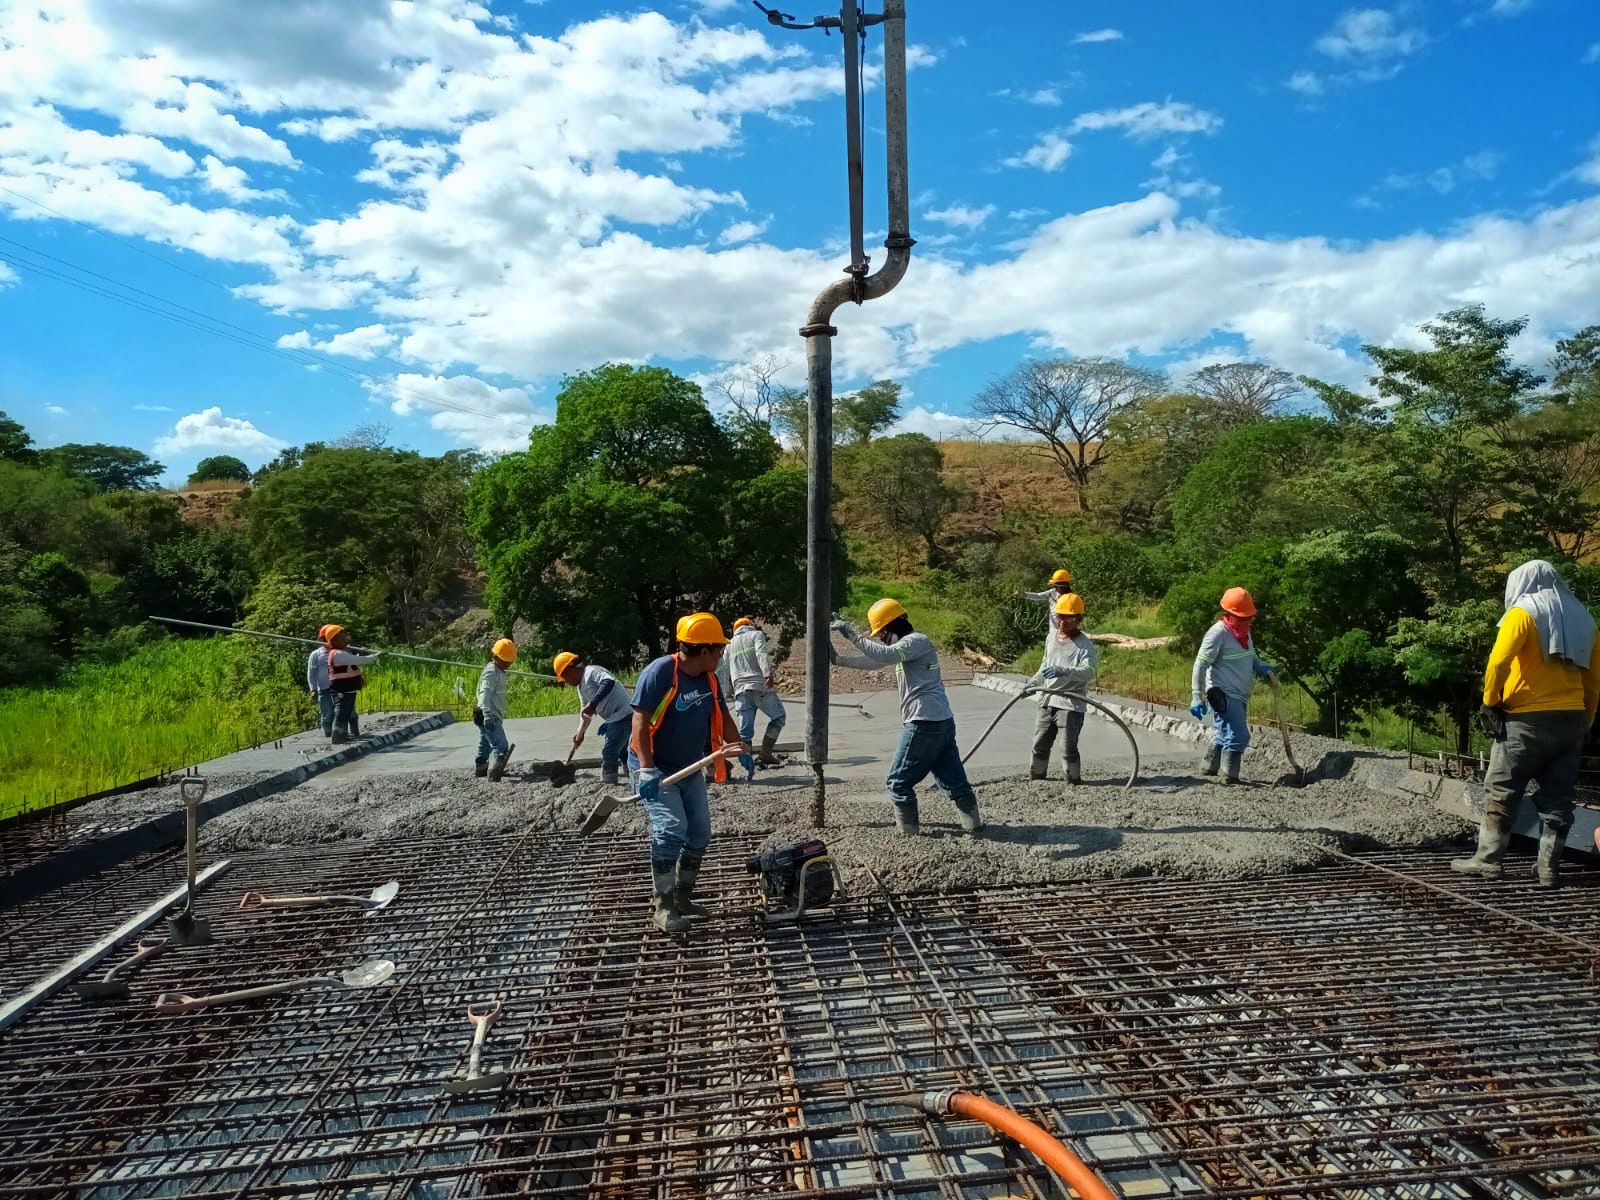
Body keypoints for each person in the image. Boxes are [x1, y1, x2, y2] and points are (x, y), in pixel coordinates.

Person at [1453, 560, 1599, 888]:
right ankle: (1548, 869)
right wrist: (1586, 720)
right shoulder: (1585, 621)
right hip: (1572, 719)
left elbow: (1499, 661)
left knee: (1502, 790)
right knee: (1559, 798)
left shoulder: (1523, 613)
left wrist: (1491, 701)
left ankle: (1488, 861)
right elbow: (1593, 682)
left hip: (1525, 719)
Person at [629, 613, 750, 932]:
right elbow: (639, 720)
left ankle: (683, 896)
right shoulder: (660, 672)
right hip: (655, 767)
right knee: (671, 829)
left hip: (689, 767)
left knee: (699, 834)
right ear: (704, 650)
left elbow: (723, 715)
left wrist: (738, 747)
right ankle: (663, 906)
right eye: (719, 650)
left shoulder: (709, 678)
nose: (722, 655)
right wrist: (646, 769)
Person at [830, 599, 982, 837]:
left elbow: (885, 655)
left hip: (923, 723)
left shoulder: (915, 641)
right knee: (954, 779)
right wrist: (839, 660)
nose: (881, 639)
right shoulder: (906, 649)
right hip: (940, 722)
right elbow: (876, 661)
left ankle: (909, 835)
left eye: (882, 633)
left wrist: (852, 635)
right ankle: (974, 825)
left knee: (898, 782)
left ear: (893, 625)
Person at [1188, 588, 1275, 785]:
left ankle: (1209, 766)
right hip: (1222, 692)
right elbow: (1200, 664)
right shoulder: (1218, 633)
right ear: (1229, 614)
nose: (1246, 621)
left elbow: (1250, 656)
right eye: (1242, 617)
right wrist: (1196, 695)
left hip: (1240, 693)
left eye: (1248, 617)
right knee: (1239, 734)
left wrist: (1260, 666)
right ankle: (1230, 774)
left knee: (1223, 731)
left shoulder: (1245, 632)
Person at [1029, 593, 1099, 783]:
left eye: (1067, 618)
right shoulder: (1051, 637)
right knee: (1039, 744)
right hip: (1048, 699)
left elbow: (1089, 672)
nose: (1062, 621)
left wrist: (1063, 671)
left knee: (1068, 747)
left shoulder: (1084, 645)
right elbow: (1045, 665)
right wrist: (1033, 683)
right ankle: (1037, 777)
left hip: (1071, 703)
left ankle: (1073, 779)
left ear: (1078, 619)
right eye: (1059, 617)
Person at [716, 617, 787, 780]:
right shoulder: (756, 635)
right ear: (750, 625)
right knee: (778, 717)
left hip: (741, 692)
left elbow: (723, 670)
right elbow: (761, 653)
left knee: (745, 732)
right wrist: (767, 674)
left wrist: (723, 695)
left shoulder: (730, 644)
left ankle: (747, 763)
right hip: (759, 687)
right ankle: (765, 754)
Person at [553, 650, 634, 786]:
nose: (566, 681)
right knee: (621, 750)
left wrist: (593, 703)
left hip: (624, 714)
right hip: (616, 717)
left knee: (609, 751)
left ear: (570, 670)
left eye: (564, 677)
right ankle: (632, 776)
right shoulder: (581, 688)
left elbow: (608, 682)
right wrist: (580, 734)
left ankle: (608, 781)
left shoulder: (591, 672)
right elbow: (585, 714)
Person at [321, 625, 381, 744]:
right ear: (334, 640)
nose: (345, 639)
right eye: (341, 637)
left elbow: (353, 660)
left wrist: (362, 653)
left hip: (348, 689)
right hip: (342, 689)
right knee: (341, 713)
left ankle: (342, 735)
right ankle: (337, 736)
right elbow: (358, 660)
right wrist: (375, 657)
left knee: (346, 713)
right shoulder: (337, 654)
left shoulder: (342, 653)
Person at [473, 638, 518, 781]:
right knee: (501, 746)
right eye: (507, 661)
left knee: (485, 743)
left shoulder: (498, 671)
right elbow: (484, 694)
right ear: (497, 657)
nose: (509, 664)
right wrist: (487, 715)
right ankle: (495, 774)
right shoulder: (491, 673)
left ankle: (481, 770)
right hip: (488, 714)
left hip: (489, 713)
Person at [306, 624, 337, 737]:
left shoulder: (339, 652)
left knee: (342, 711)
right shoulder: (316, 654)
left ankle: (340, 732)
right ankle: (328, 733)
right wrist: (313, 688)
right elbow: (311, 672)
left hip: (339, 687)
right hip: (324, 689)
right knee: (327, 712)